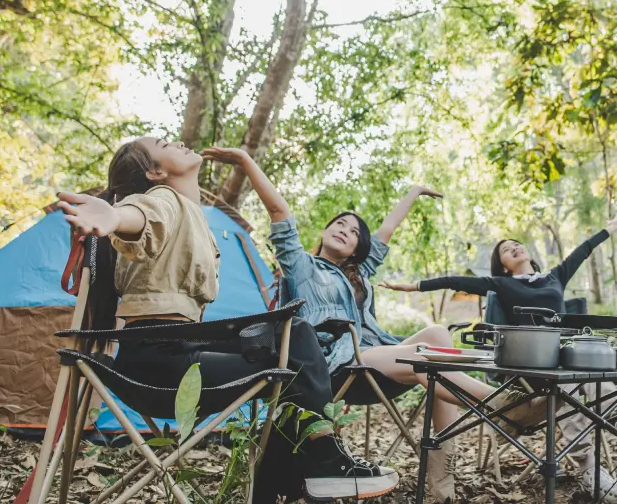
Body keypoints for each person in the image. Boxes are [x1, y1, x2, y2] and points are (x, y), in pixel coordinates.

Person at [56, 137, 398, 502]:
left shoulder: (190, 214)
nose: (177, 141)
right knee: (293, 340)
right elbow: (143, 217)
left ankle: (306, 477)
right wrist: (113, 216)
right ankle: (322, 466)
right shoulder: (164, 200)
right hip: (162, 363)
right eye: (163, 143)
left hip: (167, 353)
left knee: (291, 353)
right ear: (155, 172)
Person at [203, 147, 549, 504]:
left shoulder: (360, 274)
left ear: (356, 249)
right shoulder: (301, 265)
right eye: (339, 223)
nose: (344, 229)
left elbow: (387, 230)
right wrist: (246, 160)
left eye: (353, 231)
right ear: (324, 231)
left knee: (437, 334)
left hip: (373, 360)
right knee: (422, 354)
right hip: (334, 368)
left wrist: (413, 192)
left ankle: (442, 476)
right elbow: (279, 212)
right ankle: (503, 406)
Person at [380, 210, 617, 503]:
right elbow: (455, 281)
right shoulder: (504, 285)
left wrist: (608, 229)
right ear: (504, 267)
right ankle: (593, 475)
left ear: (529, 253)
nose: (514, 248)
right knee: (570, 381)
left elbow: (584, 250)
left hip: (567, 359)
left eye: (516, 244)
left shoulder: (555, 276)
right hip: (530, 369)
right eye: (506, 250)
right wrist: (414, 286)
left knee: (594, 370)